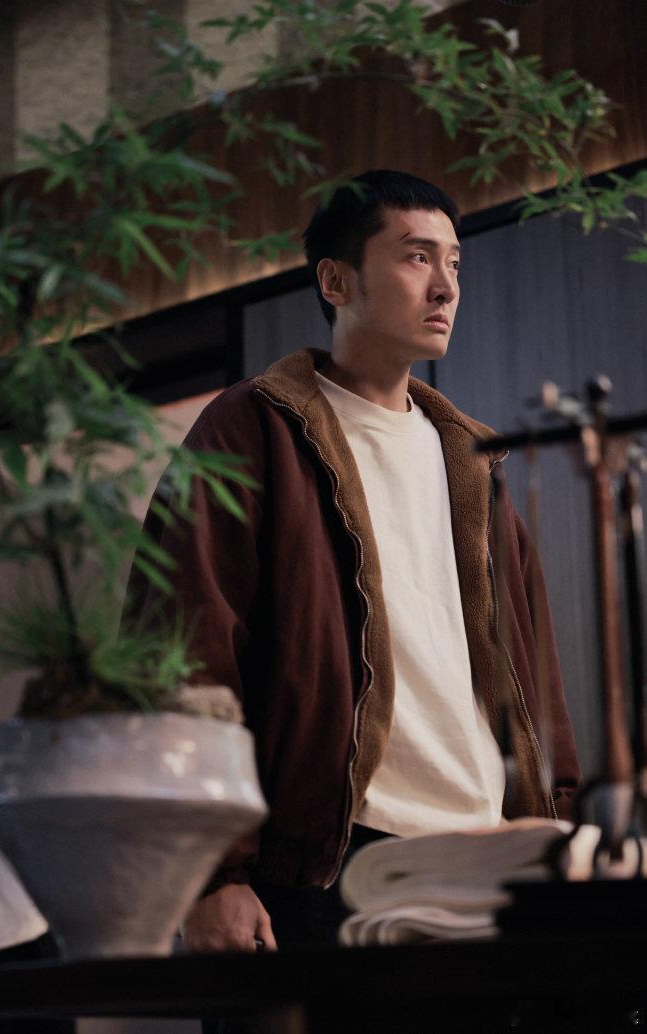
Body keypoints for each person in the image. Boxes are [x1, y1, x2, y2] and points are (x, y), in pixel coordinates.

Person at [130, 170, 580, 962]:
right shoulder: (254, 427)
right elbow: (183, 648)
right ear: (336, 281)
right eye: (416, 256)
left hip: (489, 854)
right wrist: (209, 870)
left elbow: (534, 669)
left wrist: (559, 826)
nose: (445, 285)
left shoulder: (475, 461)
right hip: (325, 863)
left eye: (454, 262)